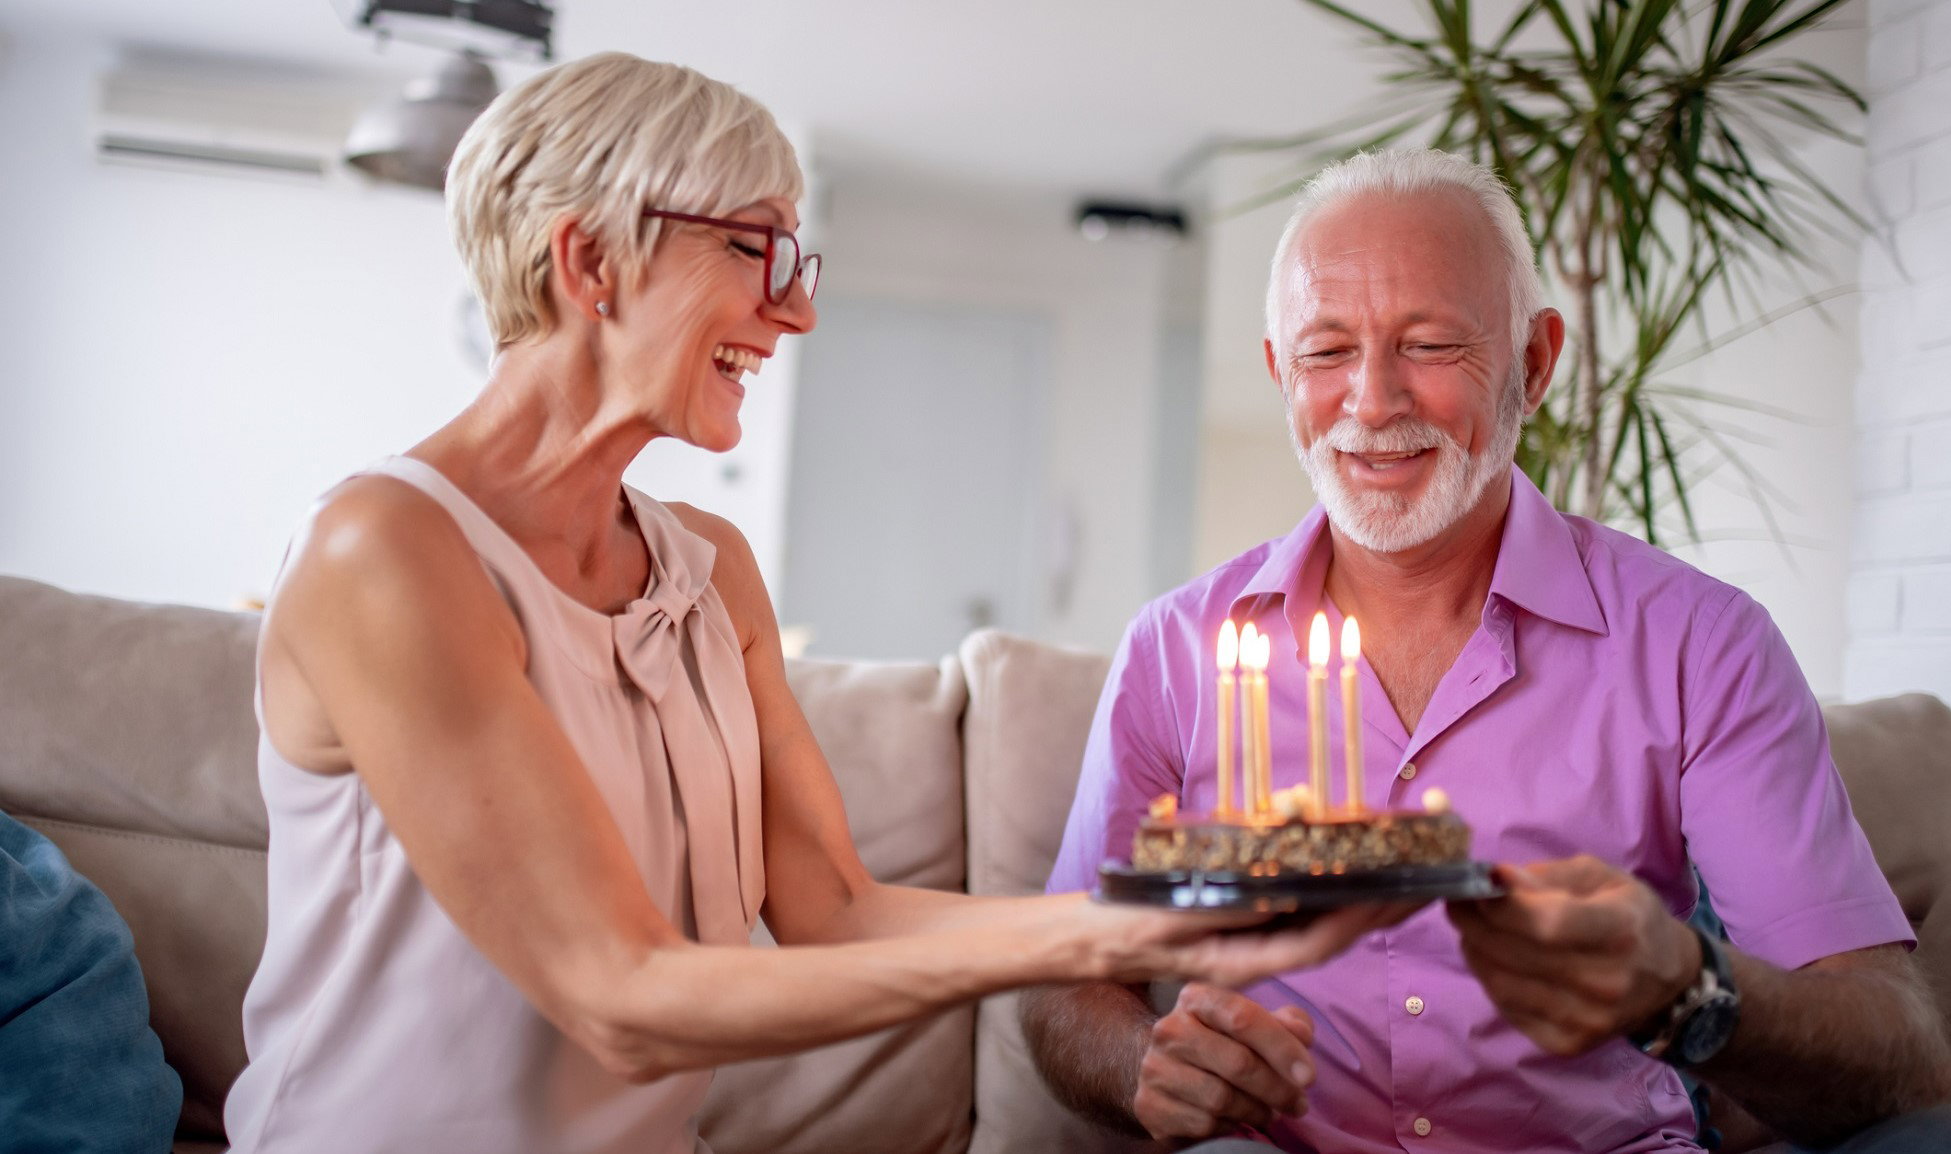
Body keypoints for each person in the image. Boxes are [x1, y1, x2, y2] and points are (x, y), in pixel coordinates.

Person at [218, 53, 1400, 1154]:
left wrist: (1160, 902)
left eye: (798, 261)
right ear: (588, 264)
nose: (797, 312)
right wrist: (1124, 933)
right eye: (754, 252)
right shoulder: (383, 550)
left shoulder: (709, 567)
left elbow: (835, 908)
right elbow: (623, 993)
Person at [1021, 148, 1951, 1152]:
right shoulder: (1175, 650)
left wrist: (1690, 989)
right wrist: (1145, 1060)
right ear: (1279, 372)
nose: (1371, 402)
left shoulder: (1699, 643)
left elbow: (1896, 1046)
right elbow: (1067, 979)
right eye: (1325, 351)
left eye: (1428, 344)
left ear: (1534, 363)